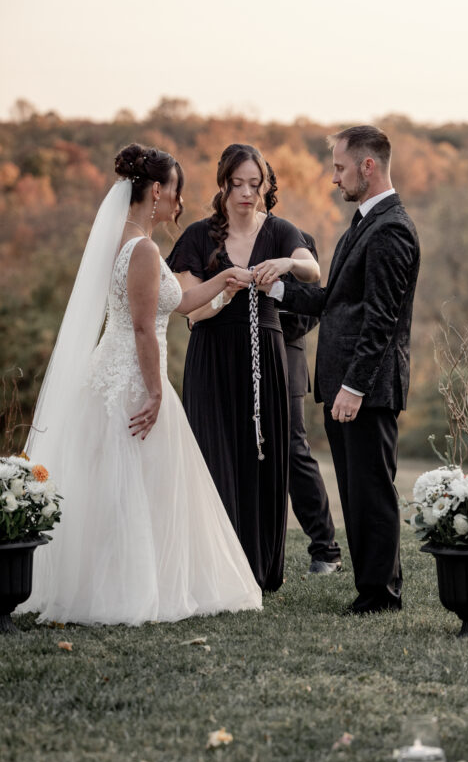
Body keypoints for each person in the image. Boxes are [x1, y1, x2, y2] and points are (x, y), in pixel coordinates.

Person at [17, 144, 261, 625]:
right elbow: (146, 328)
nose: (179, 203)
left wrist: (224, 281)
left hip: (111, 372)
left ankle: (110, 583)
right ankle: (130, 591)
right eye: (176, 192)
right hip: (132, 379)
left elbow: (179, 301)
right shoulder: (144, 250)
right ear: (155, 191)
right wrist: (155, 392)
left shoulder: (124, 241)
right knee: (135, 488)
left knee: (120, 488)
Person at [253, 126, 420, 615]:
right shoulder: (364, 222)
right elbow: (333, 301)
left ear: (368, 166)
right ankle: (379, 583)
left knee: (371, 490)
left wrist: (354, 387)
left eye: (339, 168)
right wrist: (277, 287)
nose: (333, 178)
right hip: (347, 385)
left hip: (365, 387)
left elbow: (382, 319)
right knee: (358, 489)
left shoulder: (391, 228)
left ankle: (379, 597)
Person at [167, 144, 319, 591]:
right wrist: (225, 292)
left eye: (256, 184)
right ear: (223, 184)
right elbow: (188, 310)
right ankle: (215, 569)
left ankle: (259, 568)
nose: (246, 193)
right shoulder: (198, 237)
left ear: (266, 187)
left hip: (265, 357)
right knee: (215, 457)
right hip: (212, 355)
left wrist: (288, 262)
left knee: (265, 457)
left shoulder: (280, 231)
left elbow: (312, 270)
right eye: (237, 184)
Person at [263, 163, 341, 575]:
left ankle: (325, 548)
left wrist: (271, 319)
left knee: (294, 451)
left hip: (286, 356)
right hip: (234, 361)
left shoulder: (296, 240)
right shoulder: (221, 240)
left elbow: (312, 312)